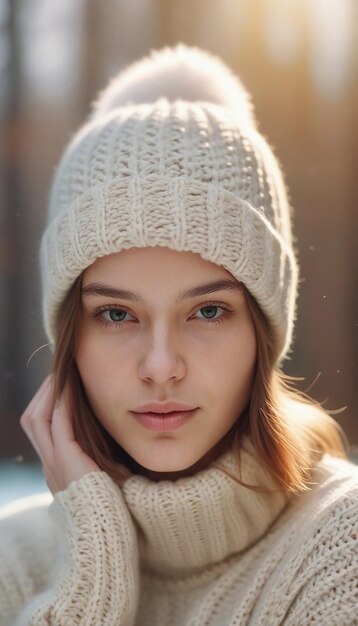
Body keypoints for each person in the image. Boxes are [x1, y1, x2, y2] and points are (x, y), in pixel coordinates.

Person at [0, 44, 357, 626]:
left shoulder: (340, 549)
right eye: (116, 314)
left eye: (209, 311)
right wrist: (92, 575)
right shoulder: (13, 562)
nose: (161, 366)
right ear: (69, 336)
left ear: (264, 329)